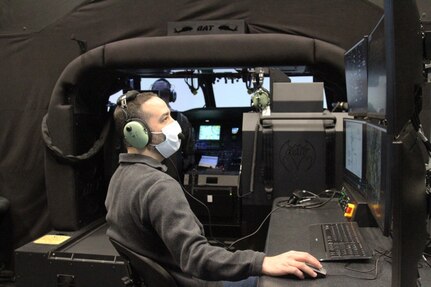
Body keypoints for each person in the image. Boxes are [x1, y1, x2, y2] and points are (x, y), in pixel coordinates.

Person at [105, 91, 322, 287]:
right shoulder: (159, 186)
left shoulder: (120, 177)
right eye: (165, 118)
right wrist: (262, 262)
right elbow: (196, 257)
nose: (176, 124)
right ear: (137, 134)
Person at [151, 78, 195, 181]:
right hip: (173, 178)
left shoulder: (141, 119)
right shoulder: (180, 119)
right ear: (171, 96)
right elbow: (189, 153)